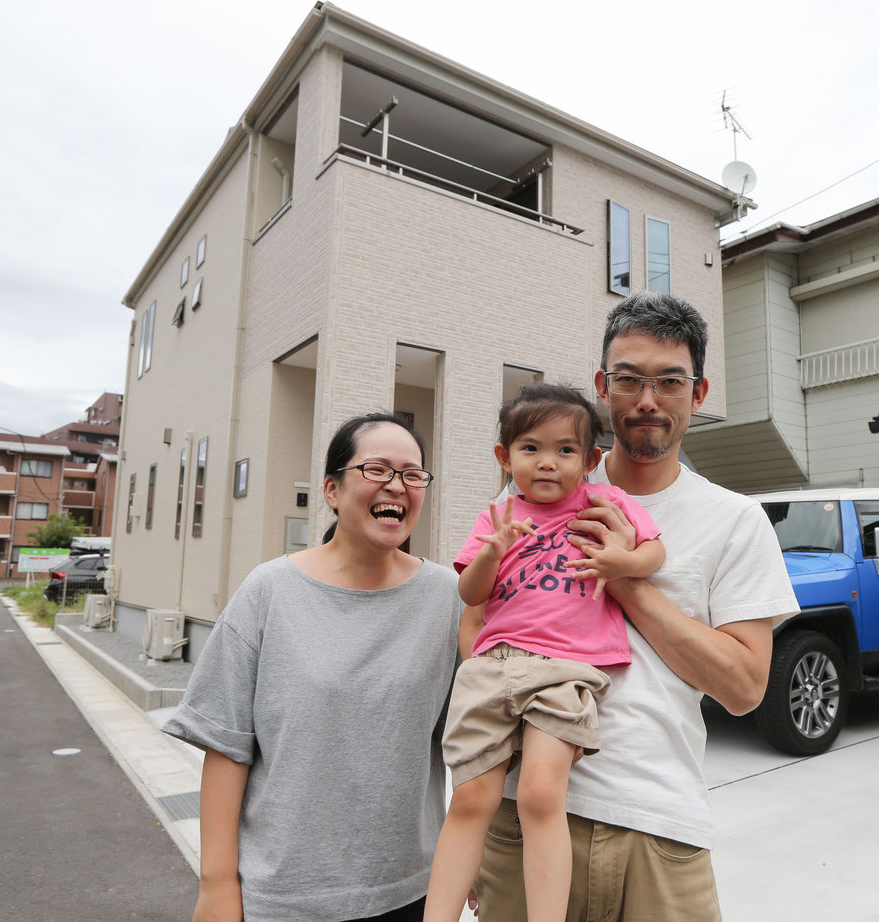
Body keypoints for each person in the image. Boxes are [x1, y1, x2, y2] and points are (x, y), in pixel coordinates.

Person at [473, 292, 801, 921]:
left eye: (670, 381)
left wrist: (624, 578)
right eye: (629, 380)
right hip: (524, 816)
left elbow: (744, 686)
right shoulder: (537, 490)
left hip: (661, 823)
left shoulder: (736, 519)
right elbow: (475, 630)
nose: (648, 399)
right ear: (603, 387)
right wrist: (475, 810)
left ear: (698, 393)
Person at [162, 412, 462, 922]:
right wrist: (216, 886)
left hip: (412, 890)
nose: (397, 486)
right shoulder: (269, 591)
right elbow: (226, 746)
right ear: (331, 490)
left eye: (413, 475)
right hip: (285, 896)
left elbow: (472, 743)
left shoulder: (448, 598)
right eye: (377, 469)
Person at [423, 385, 664, 922]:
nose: (547, 462)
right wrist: (493, 553)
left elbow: (654, 551)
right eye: (530, 448)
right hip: (493, 665)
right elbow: (470, 593)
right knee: (470, 799)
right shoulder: (497, 515)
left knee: (538, 794)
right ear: (504, 456)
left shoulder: (604, 503)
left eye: (565, 450)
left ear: (591, 460)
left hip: (565, 669)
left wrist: (621, 563)